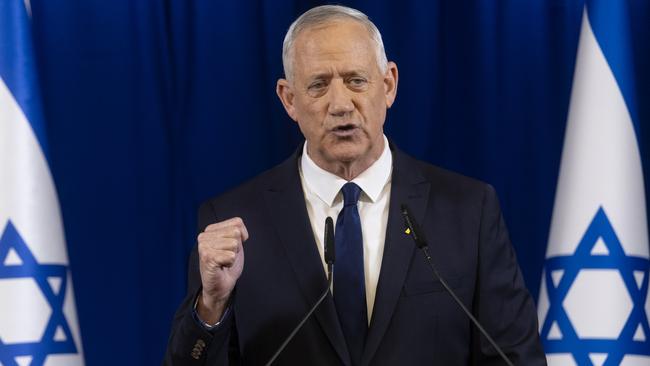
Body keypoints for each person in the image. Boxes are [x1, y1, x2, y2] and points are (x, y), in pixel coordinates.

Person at [164, 5, 546, 365]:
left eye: (355, 81)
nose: (341, 104)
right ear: (289, 99)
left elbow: (514, 357)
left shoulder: (467, 210)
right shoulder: (235, 221)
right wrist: (211, 304)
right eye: (318, 85)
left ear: (389, 85)